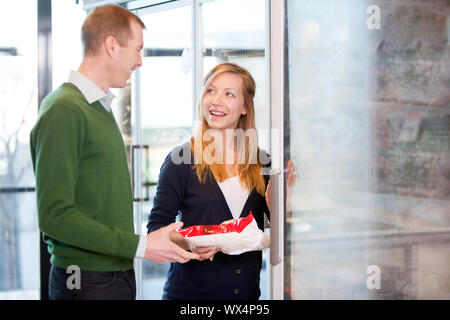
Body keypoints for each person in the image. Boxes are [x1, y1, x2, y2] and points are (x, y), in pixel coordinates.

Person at [30, 4, 198, 300]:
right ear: (111, 45)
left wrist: (151, 240)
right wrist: (140, 246)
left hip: (112, 277)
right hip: (84, 281)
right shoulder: (64, 109)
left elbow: (98, 203)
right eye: (137, 49)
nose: (140, 61)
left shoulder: (97, 108)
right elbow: (55, 216)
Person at [147, 62, 295, 299]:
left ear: (245, 106)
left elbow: (276, 239)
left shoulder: (261, 161)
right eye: (211, 90)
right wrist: (190, 242)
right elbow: (155, 230)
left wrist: (278, 205)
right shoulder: (180, 161)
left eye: (229, 94)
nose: (216, 100)